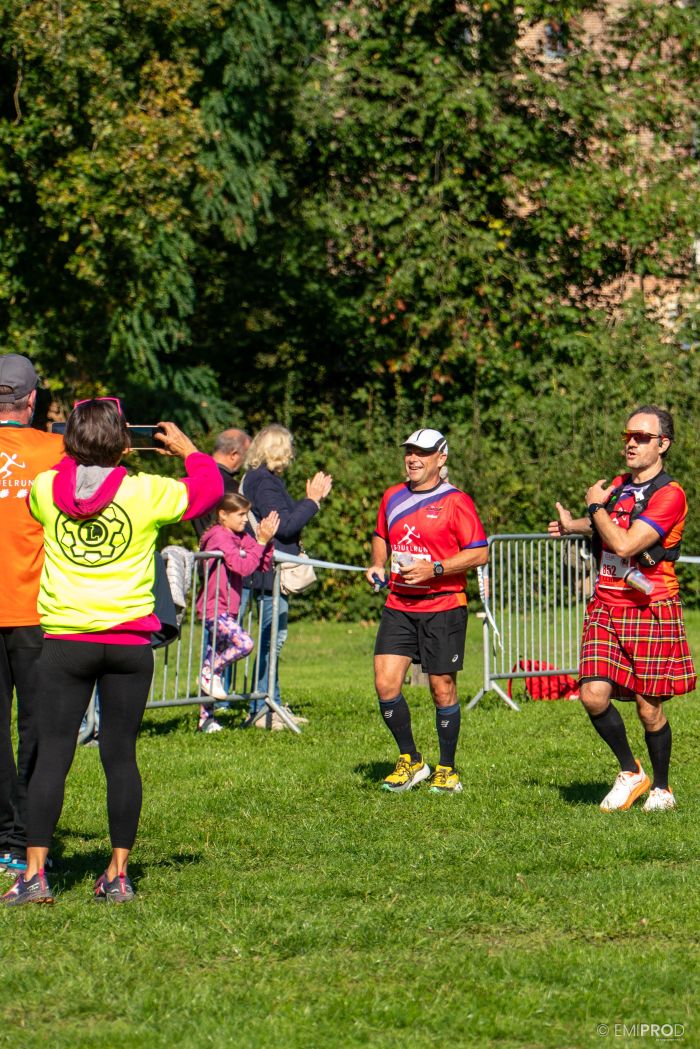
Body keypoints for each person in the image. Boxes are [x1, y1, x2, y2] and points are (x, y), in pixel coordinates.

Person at [1, 399, 222, 906]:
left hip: (65, 643)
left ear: (70, 442)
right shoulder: (147, 492)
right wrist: (188, 449)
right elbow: (210, 488)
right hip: (127, 644)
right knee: (120, 757)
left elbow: (63, 473)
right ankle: (118, 875)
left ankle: (33, 876)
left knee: (52, 758)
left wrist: (71, 444)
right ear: (125, 443)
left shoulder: (43, 488)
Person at [548, 404, 696, 813]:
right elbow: (607, 523)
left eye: (642, 437)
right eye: (627, 436)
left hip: (650, 606)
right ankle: (631, 771)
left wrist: (595, 508)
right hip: (606, 604)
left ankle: (662, 789)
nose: (631, 443)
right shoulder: (617, 485)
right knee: (592, 695)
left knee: (650, 709)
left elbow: (628, 543)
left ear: (663, 444)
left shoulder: (670, 494)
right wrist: (573, 524)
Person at [365, 428, 489, 794]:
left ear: (441, 458)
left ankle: (447, 768)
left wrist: (434, 568)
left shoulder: (456, 501)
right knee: (385, 684)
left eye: (422, 452)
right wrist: (377, 563)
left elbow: (479, 552)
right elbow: (380, 536)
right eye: (409, 452)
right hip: (399, 605)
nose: (413, 458)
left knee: (441, 688)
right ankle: (411, 759)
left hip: (444, 606)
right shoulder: (392, 495)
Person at [0, 354, 64, 878]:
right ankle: (25, 839)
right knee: (38, 727)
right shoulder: (54, 449)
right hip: (35, 611)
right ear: (31, 400)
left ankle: (4, 837)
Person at [241, 425, 332, 730]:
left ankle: (272, 701)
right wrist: (314, 501)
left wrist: (307, 500)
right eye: (289, 448)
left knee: (273, 637)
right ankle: (263, 707)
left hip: (267, 570)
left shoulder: (264, 480)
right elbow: (286, 526)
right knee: (272, 638)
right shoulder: (264, 482)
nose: (292, 455)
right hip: (267, 572)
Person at [195, 492, 279, 733]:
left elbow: (261, 562)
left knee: (214, 656)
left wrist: (267, 540)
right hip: (214, 608)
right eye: (240, 514)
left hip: (228, 609)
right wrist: (260, 544)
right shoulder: (219, 537)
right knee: (244, 643)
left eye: (247, 514)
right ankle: (211, 671)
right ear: (223, 515)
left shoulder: (237, 536)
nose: (245, 519)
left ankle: (205, 719)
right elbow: (243, 566)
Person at [191, 428, 251, 539]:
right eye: (245, 456)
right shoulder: (230, 487)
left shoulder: (195, 479)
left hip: (204, 550)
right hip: (228, 551)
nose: (245, 462)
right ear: (234, 455)